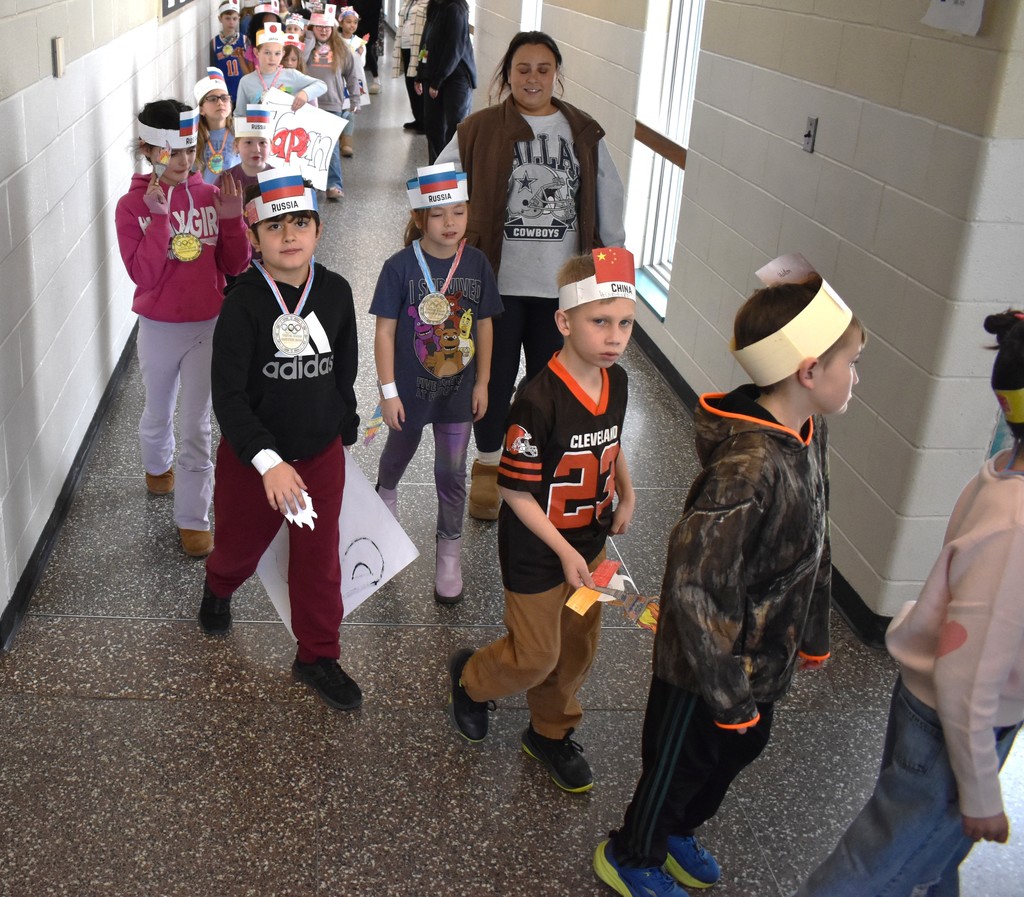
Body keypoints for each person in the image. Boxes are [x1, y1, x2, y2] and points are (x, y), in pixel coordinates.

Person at [592, 256, 865, 897]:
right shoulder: (746, 469)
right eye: (851, 363)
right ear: (809, 371)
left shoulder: (809, 432)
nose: (857, 377)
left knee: (736, 752)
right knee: (679, 766)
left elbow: (817, 539)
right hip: (704, 669)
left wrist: (812, 631)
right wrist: (725, 692)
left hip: (763, 654)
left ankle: (677, 830)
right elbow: (693, 590)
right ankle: (632, 853)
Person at [793, 312, 1024, 897]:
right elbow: (968, 678)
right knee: (878, 866)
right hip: (956, 724)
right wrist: (980, 793)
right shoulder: (1017, 525)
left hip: (944, 710)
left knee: (927, 853)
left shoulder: (1002, 474)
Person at [447, 248, 637, 794]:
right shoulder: (536, 400)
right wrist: (564, 551)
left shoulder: (617, 381)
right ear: (564, 322)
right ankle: (472, 679)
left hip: (591, 546)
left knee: (578, 643)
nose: (614, 337)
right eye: (600, 322)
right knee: (536, 654)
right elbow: (514, 490)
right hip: (538, 552)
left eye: (625, 324)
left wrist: (627, 493)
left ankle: (551, 730)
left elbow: (612, 440)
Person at [434, 31, 626, 521]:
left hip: (561, 291)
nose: (533, 78)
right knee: (491, 379)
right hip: (496, 285)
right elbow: (437, 187)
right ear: (507, 75)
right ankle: (488, 464)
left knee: (549, 383)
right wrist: (437, 253)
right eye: (523, 69)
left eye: (544, 69)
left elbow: (610, 204)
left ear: (556, 74)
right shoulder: (477, 129)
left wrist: (610, 279)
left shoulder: (582, 130)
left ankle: (537, 467)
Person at [200, 167, 362, 711]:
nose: (289, 235)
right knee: (238, 549)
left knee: (318, 561)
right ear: (253, 237)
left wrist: (343, 424)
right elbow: (228, 398)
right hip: (253, 461)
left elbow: (343, 369)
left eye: (301, 223)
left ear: (319, 230)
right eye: (274, 227)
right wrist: (267, 461)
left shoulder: (336, 293)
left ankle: (317, 654)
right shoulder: (242, 304)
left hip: (318, 456)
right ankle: (219, 586)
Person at [114, 100, 251, 558]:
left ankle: (193, 517)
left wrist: (231, 218)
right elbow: (143, 275)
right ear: (147, 150)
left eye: (189, 150)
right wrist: (157, 218)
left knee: (196, 424)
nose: (183, 160)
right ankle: (157, 465)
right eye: (171, 152)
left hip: (207, 326)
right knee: (158, 411)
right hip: (158, 328)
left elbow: (235, 265)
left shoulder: (211, 195)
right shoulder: (131, 206)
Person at [370, 164, 502, 604]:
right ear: (420, 217)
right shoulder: (399, 267)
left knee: (451, 473)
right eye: (439, 214)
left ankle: (449, 554)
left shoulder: (477, 263)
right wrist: (388, 392)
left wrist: (483, 382)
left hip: (458, 393)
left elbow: (485, 325)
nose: (450, 223)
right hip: (409, 392)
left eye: (459, 213)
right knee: (396, 458)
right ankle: (385, 502)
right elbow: (385, 332)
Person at [304, 5, 359, 198]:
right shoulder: (306, 45)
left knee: (331, 146)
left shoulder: (341, 48)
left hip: (332, 102)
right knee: (307, 145)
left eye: (327, 27)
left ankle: (333, 184)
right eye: (319, 26)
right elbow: (299, 63)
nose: (323, 30)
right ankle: (309, 183)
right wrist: (308, 41)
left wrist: (355, 98)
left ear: (333, 28)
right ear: (312, 27)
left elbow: (352, 74)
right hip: (307, 103)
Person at [415, 0, 476, 163]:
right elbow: (426, 43)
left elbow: (454, 49)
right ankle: (437, 169)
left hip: (456, 77)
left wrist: (437, 81)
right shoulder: (435, 6)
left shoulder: (456, 9)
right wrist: (420, 73)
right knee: (432, 127)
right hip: (433, 75)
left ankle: (454, 170)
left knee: (455, 128)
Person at [237, 21, 327, 112]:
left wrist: (305, 94)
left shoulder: (292, 75)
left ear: (282, 54)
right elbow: (240, 114)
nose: (272, 58)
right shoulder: (246, 81)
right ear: (256, 53)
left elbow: (322, 85)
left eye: (277, 53)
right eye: (267, 53)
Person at [194, 67, 240, 184]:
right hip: (206, 193)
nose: (220, 102)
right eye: (213, 99)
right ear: (201, 109)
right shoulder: (196, 138)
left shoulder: (240, 132)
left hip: (237, 192)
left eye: (224, 98)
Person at [337, 6, 370, 157]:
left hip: (354, 80)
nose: (352, 25)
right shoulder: (336, 40)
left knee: (351, 109)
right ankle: (337, 138)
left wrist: (360, 55)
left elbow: (362, 64)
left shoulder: (359, 42)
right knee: (338, 110)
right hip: (339, 79)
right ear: (341, 23)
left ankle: (347, 142)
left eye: (355, 22)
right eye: (348, 22)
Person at [217, 103, 273, 192]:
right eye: (248, 142)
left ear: (271, 146)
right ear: (236, 146)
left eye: (262, 143)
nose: (256, 149)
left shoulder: (280, 178)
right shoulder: (224, 180)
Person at [392, 0, 427, 133]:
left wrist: (425, 53)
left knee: (419, 83)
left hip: (420, 49)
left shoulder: (428, 3)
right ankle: (418, 118)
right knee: (409, 82)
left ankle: (424, 121)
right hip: (406, 46)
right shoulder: (409, 2)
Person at [210, 0, 252, 105]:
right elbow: (213, 69)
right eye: (227, 18)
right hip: (224, 90)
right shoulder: (215, 42)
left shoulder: (244, 40)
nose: (231, 22)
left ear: (239, 18)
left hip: (242, 87)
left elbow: (250, 66)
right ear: (220, 19)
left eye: (234, 18)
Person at [244, 0, 283, 70]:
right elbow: (250, 73)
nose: (270, 30)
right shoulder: (252, 50)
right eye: (265, 27)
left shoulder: (283, 47)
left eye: (273, 26)